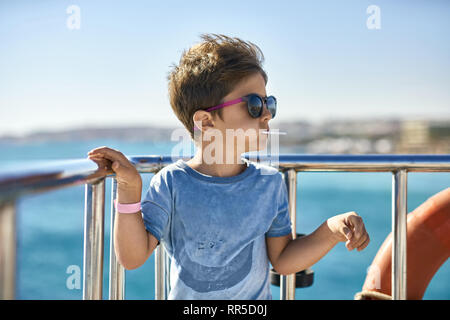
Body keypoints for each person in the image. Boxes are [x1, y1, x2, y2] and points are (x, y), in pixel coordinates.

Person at [87, 33, 370, 300]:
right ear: (207, 122)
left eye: (268, 102)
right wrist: (129, 190)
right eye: (254, 104)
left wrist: (331, 230)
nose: (267, 113)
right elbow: (133, 257)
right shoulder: (171, 183)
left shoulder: (269, 184)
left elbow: (283, 260)